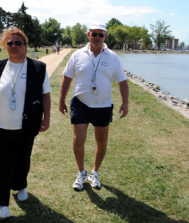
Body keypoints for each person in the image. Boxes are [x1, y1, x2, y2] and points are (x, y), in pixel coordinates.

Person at [0, 27, 51, 220]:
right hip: (0, 126)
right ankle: (2, 204)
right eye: (10, 43)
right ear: (5, 46)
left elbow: (45, 95)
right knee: (2, 164)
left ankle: (21, 186)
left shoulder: (37, 68)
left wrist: (47, 118)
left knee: (22, 159)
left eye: (18, 43)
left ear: (26, 45)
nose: (14, 46)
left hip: (26, 126)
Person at [59, 23, 129, 191]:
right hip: (81, 104)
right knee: (78, 139)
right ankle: (81, 172)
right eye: (94, 34)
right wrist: (61, 100)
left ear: (105, 36)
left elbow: (122, 81)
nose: (97, 37)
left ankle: (95, 172)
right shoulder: (77, 55)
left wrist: (125, 103)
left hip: (103, 105)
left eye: (101, 34)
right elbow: (67, 78)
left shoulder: (112, 57)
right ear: (88, 35)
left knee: (102, 141)